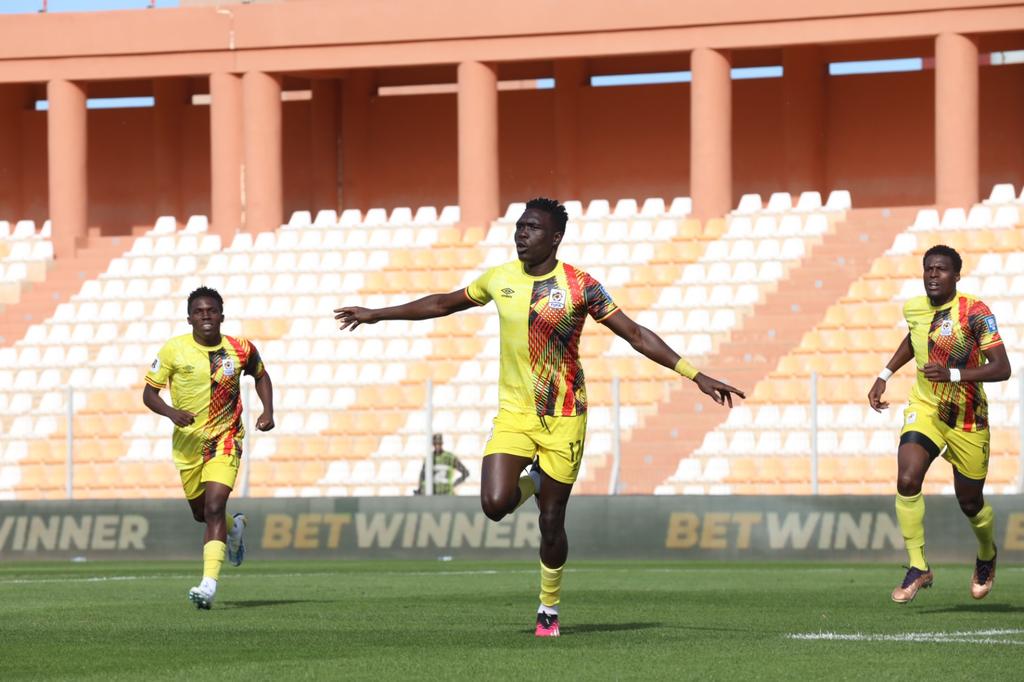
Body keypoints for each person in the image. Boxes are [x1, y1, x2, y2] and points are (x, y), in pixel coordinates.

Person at [335, 197, 744, 636]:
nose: (521, 234)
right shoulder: (500, 279)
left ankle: (548, 607)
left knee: (552, 522)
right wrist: (377, 314)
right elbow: (442, 304)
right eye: (519, 226)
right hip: (515, 414)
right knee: (494, 505)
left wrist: (695, 374)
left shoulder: (581, 286)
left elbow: (636, 334)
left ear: (555, 237)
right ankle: (532, 479)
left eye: (532, 228)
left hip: (565, 416)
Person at [868, 245, 1010, 604]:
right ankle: (918, 566)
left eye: (941, 269)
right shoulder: (914, 308)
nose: (933, 274)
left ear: (956, 275)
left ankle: (986, 554)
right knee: (907, 477)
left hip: (967, 418)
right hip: (927, 406)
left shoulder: (975, 312)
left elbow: (1002, 367)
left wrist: (953, 373)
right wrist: (885, 374)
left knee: (970, 502)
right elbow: (914, 339)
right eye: (928, 269)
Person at [142, 286, 275, 610]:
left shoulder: (239, 348)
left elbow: (261, 374)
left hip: (225, 438)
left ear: (221, 316)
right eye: (199, 311)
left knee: (215, 506)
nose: (206, 316)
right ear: (189, 318)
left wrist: (267, 411)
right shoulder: (174, 350)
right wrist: (171, 413)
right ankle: (236, 527)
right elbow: (149, 394)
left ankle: (208, 585)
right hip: (188, 445)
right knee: (202, 514)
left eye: (211, 311)